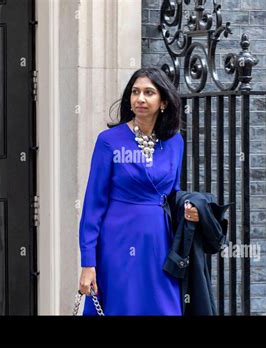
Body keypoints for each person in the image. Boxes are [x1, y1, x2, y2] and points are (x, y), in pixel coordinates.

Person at [78, 67, 200, 315]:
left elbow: (173, 195)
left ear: (163, 101)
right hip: (117, 244)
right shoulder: (109, 141)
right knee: (122, 306)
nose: (140, 99)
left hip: (159, 243)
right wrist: (88, 263)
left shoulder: (175, 142)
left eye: (148, 92)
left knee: (163, 307)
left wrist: (191, 211)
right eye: (135, 92)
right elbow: (93, 205)